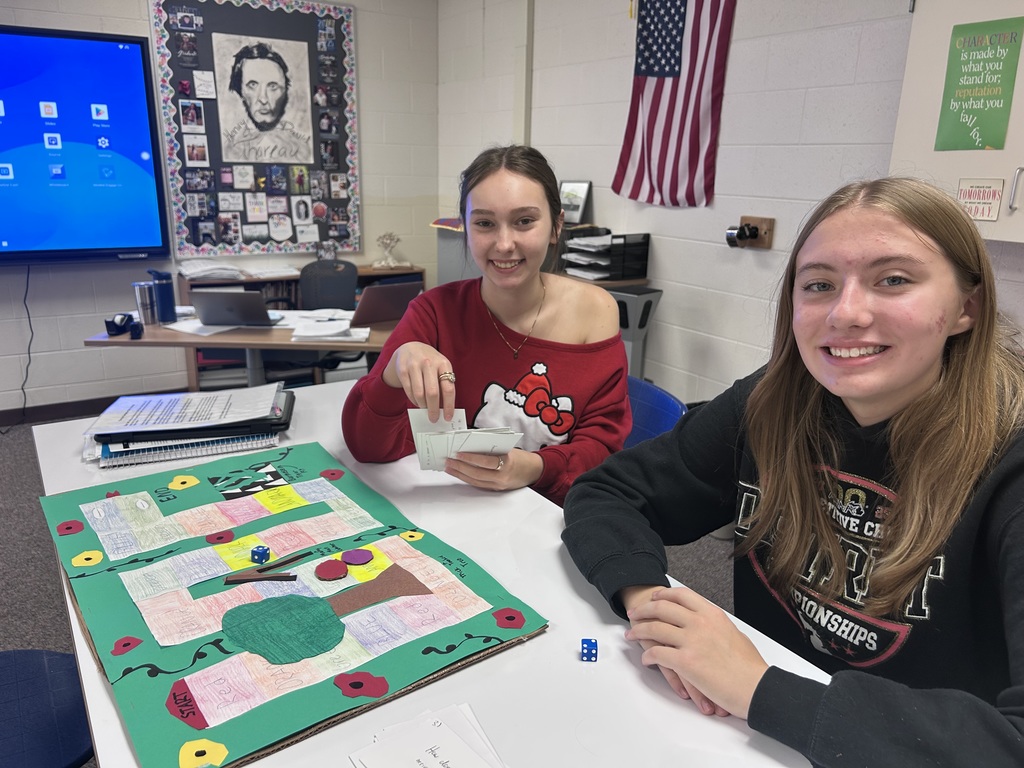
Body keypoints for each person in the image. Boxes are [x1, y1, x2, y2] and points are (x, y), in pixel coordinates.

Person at [561, 177, 1024, 766]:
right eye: (820, 285)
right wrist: (650, 604)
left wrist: (758, 689)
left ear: (966, 308)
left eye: (894, 280)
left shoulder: (1010, 456)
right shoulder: (774, 402)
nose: (847, 312)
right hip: (751, 736)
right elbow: (611, 492)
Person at [342, 145, 630, 506]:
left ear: (556, 227)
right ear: (465, 229)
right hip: (459, 514)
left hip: (554, 517)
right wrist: (395, 369)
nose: (504, 244)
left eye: (525, 221)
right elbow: (366, 446)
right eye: (485, 223)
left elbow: (602, 449)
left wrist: (535, 467)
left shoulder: (595, 310)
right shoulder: (434, 311)